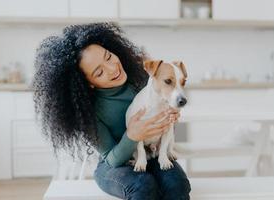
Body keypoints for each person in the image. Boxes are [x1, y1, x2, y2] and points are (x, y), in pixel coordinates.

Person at [33, 22, 191, 200]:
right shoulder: (89, 112)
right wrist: (132, 135)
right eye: (99, 72)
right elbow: (112, 159)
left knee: (177, 185)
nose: (112, 68)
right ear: (88, 83)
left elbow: (162, 130)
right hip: (113, 166)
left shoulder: (144, 82)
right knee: (143, 186)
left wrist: (169, 119)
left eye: (108, 57)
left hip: (150, 154)